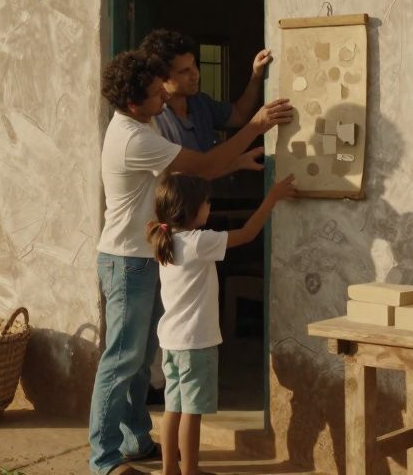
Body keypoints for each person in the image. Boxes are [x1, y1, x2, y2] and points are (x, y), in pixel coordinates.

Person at [89, 49, 293, 475]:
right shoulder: (134, 136)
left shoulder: (139, 125)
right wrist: (255, 125)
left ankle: (134, 440)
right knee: (122, 361)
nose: (164, 97)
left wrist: (233, 161)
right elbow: (198, 164)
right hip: (128, 262)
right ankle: (104, 460)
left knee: (140, 359)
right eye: (154, 93)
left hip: (142, 258)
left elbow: (182, 179)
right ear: (132, 103)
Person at [147, 172, 297, 475]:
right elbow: (248, 234)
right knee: (193, 412)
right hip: (196, 344)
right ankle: (190, 470)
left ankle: (169, 470)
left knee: (173, 409)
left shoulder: (167, 241)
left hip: (172, 343)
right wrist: (272, 197)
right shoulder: (199, 242)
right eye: (206, 202)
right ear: (191, 210)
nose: (209, 206)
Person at [139, 29, 272, 153]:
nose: (195, 74)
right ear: (162, 76)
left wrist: (256, 74)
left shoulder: (199, 102)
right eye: (184, 71)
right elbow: (202, 167)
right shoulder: (153, 121)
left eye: (194, 65)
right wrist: (255, 126)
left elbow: (239, 115)